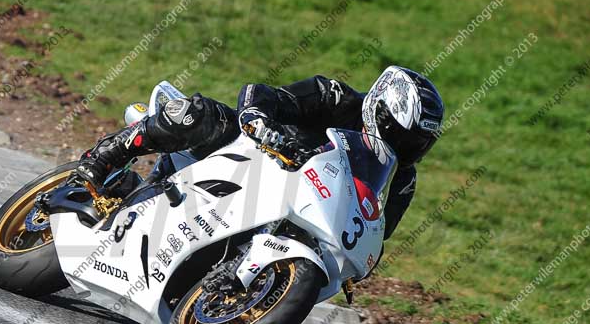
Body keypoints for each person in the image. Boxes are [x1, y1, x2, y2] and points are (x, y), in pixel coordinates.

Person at [76, 65, 444, 240]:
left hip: (292, 207)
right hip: (251, 153)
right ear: (379, 109)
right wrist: (257, 118)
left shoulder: (401, 179)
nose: (406, 148)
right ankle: (107, 155)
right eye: (403, 136)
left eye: (418, 143)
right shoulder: (334, 96)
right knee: (197, 114)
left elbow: (378, 232)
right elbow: (264, 93)